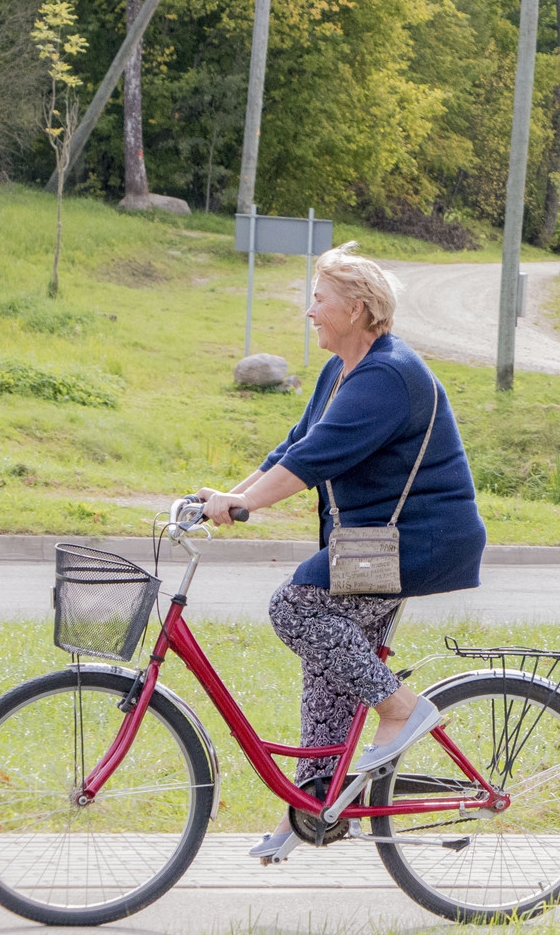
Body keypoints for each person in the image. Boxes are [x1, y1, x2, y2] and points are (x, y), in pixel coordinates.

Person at [200, 242, 487, 860]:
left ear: (356, 309)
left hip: (419, 541)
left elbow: (312, 462)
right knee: (329, 661)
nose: (309, 310)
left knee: (296, 609)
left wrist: (247, 504)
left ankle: (402, 709)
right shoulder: (343, 370)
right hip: (371, 545)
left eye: (319, 298)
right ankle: (316, 809)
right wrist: (229, 496)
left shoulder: (387, 375)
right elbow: (293, 444)